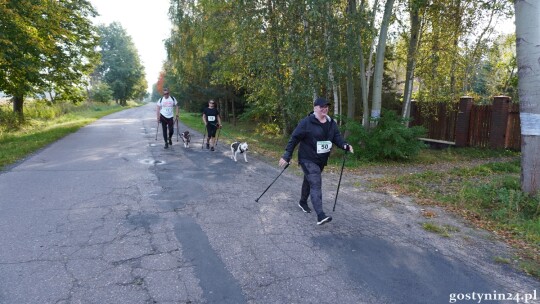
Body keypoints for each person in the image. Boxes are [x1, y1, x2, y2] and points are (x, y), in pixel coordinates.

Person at [279, 97, 354, 225]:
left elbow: (337, 138)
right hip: (307, 158)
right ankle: (320, 215)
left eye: (326, 107)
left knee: (309, 181)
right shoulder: (306, 122)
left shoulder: (331, 123)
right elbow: (294, 138)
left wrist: (345, 145)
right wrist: (287, 155)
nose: (325, 109)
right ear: (315, 108)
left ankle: (302, 202)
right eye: (321, 107)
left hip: (321, 159)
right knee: (315, 182)